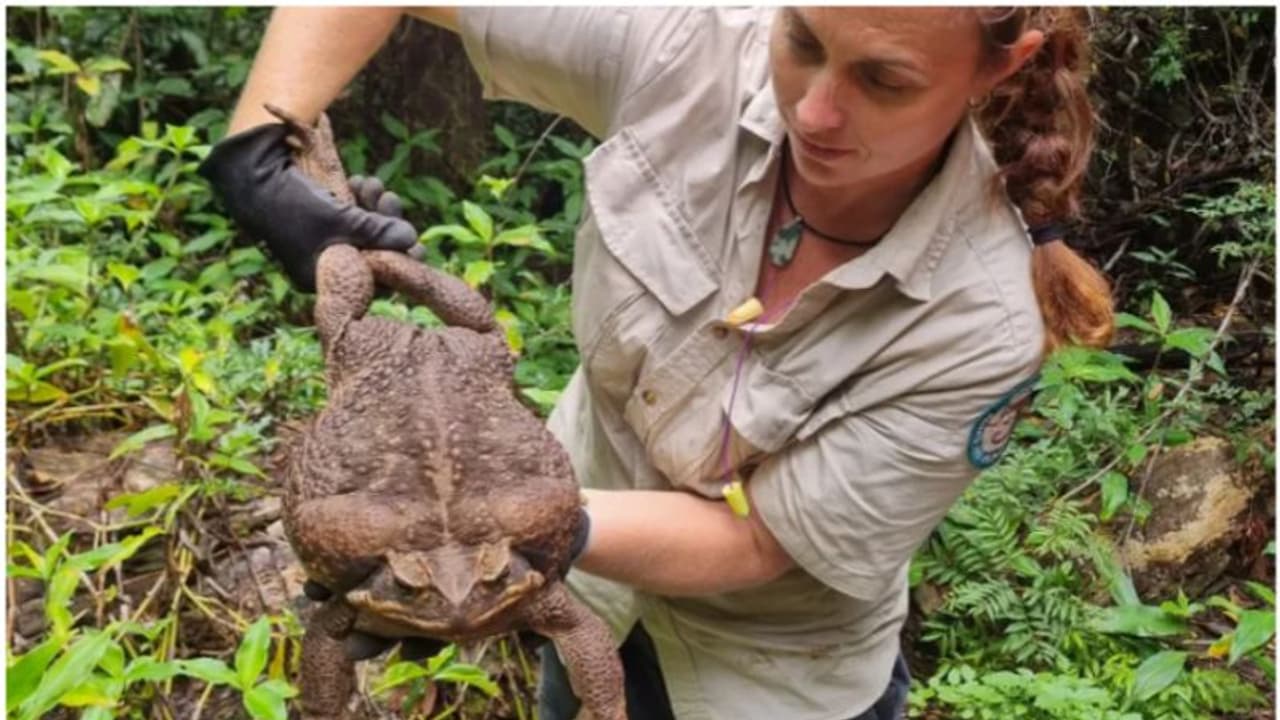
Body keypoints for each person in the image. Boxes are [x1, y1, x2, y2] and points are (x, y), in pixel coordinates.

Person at [199, 7, 1114, 720]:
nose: (816, 108)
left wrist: (490, 531)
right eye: (802, 39)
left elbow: (761, 542)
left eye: (885, 80)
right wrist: (256, 165)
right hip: (581, 595)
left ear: (1004, 64)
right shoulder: (697, 48)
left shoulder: (983, 322)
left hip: (766, 677)